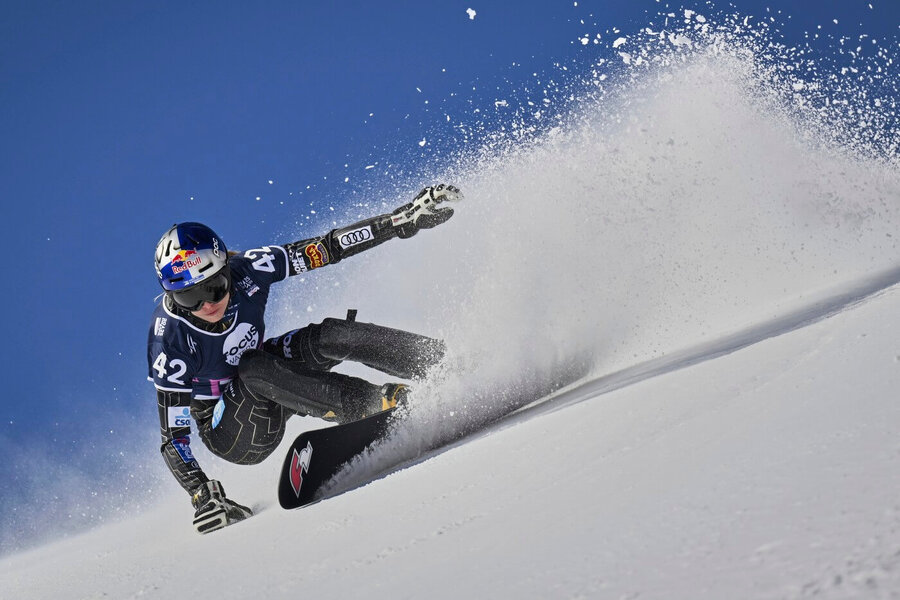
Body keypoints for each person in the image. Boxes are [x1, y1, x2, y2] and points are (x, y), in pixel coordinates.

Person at [147, 184, 461, 534]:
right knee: (253, 365)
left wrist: (401, 220)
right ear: (173, 297)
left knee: (328, 336)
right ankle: (375, 403)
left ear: (227, 270)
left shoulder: (250, 269)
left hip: (273, 377)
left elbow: (326, 248)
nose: (206, 305)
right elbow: (173, 437)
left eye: (213, 288)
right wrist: (203, 495)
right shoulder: (170, 340)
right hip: (233, 432)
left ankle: (442, 362)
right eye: (189, 297)